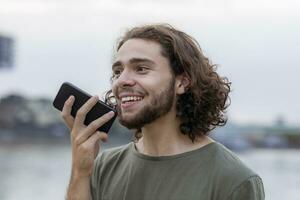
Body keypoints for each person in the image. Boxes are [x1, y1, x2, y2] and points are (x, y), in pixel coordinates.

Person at [62, 24, 265, 200]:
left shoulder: (234, 180)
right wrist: (80, 172)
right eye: (118, 71)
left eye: (141, 68)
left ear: (182, 82)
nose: (122, 80)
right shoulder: (103, 167)